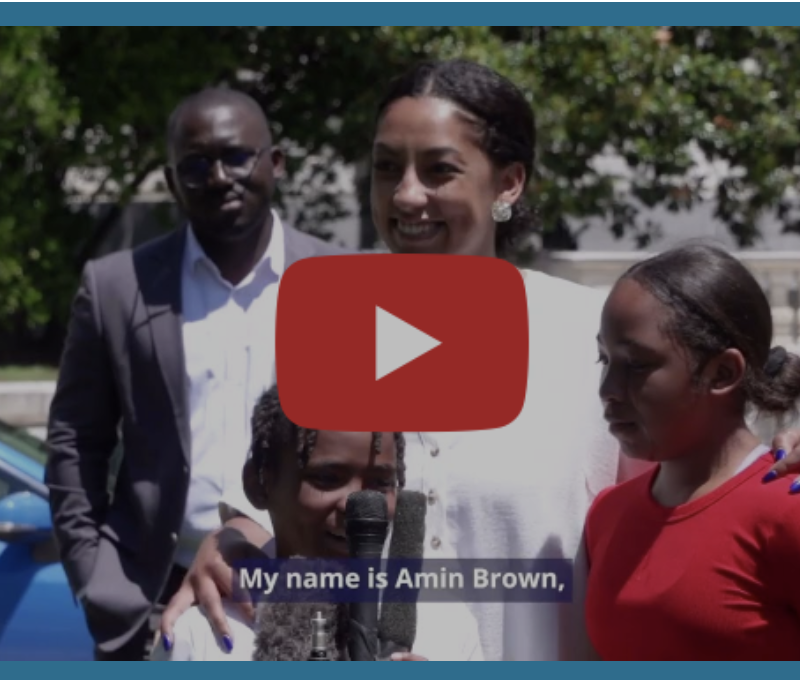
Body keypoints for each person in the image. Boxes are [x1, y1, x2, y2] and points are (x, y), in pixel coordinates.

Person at [159, 59, 800, 661]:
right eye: (387, 168)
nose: (407, 196)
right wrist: (234, 536)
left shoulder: (596, 340)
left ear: (508, 183)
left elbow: (722, 467)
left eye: (439, 170)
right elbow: (272, 488)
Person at [45, 87, 348, 661]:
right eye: (195, 164)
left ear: (275, 162)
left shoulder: (344, 280)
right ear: (171, 177)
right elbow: (74, 442)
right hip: (153, 597)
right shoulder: (117, 287)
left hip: (307, 594)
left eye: (237, 157)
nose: (218, 176)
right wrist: (97, 579)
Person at [150, 386, 483, 661]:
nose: (359, 505)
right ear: (258, 484)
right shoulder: (205, 635)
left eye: (381, 483)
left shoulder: (449, 628)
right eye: (326, 478)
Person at [586, 243, 800, 660]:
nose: (607, 390)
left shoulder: (787, 510)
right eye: (604, 359)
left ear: (722, 373)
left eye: (637, 365)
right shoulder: (607, 516)